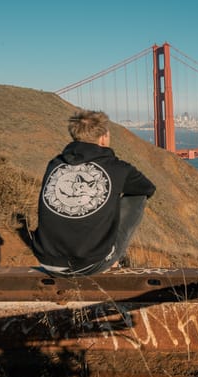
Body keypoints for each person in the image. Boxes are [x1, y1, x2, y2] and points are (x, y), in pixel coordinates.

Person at [32, 110, 156, 276]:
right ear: (104, 136)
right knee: (137, 195)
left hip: (46, 261)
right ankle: (112, 258)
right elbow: (148, 188)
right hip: (89, 265)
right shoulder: (118, 168)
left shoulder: (55, 163)